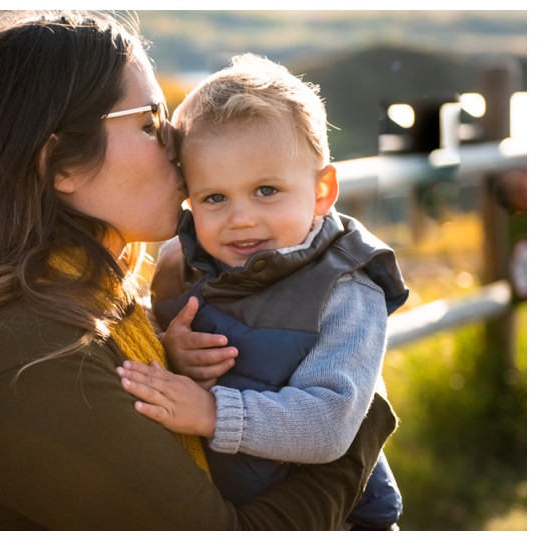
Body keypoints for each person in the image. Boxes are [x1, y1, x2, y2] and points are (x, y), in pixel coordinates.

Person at [0, 11, 398, 530]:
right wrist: (360, 422)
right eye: (150, 123)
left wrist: (172, 357)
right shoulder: (31, 355)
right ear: (61, 164)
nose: (176, 146)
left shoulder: (90, 300)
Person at [117, 53, 409, 530]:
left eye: (266, 190)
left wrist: (213, 412)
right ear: (188, 197)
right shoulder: (181, 264)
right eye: (215, 198)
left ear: (321, 191)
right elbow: (159, 354)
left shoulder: (344, 289)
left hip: (339, 518)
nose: (242, 218)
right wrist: (171, 350)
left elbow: (331, 424)